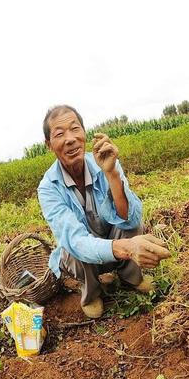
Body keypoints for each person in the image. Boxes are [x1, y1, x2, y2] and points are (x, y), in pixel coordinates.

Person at [38, 105, 171, 318]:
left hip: (112, 241)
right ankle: (91, 293)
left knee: (130, 221)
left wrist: (112, 174)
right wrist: (127, 248)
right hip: (84, 257)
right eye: (60, 134)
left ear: (84, 132)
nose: (70, 139)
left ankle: (131, 276)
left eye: (75, 129)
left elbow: (130, 218)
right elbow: (75, 240)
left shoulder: (104, 161)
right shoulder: (48, 188)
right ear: (49, 145)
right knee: (73, 248)